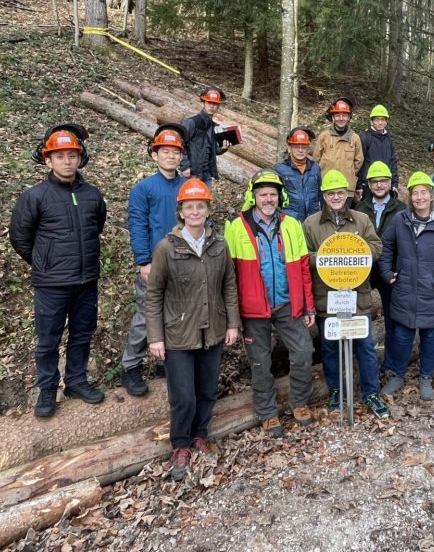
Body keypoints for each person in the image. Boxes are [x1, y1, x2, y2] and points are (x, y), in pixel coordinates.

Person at [144, 178, 240, 481]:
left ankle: (199, 435)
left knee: (207, 390)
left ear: (208, 210)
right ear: (181, 212)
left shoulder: (219, 244)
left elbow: (229, 285)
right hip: (178, 333)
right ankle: (180, 444)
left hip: (213, 329)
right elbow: (154, 294)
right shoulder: (166, 248)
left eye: (200, 206)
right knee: (183, 396)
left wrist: (233, 323)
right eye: (189, 207)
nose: (195, 212)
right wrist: (155, 336)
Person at [9, 124, 108, 419]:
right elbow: (19, 237)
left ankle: (76, 382)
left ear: (81, 158)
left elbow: (96, 227)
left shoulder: (92, 195)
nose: (67, 161)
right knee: (48, 339)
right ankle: (48, 389)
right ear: (48, 160)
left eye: (72, 155)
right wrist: (44, 262)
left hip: (86, 280)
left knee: (82, 334)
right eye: (60, 156)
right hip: (52, 284)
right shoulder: (35, 196)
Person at [224, 169, 317, 436]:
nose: (268, 199)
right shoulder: (236, 226)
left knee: (303, 351)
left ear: (280, 197)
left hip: (288, 303)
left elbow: (303, 268)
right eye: (263, 194)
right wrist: (233, 318)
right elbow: (229, 276)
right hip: (253, 308)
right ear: (253, 196)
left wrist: (308, 305)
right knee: (260, 363)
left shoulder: (292, 224)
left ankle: (299, 402)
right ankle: (267, 412)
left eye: (273, 194)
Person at [303, 170, 390, 419]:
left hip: (357, 296)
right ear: (324, 196)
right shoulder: (311, 223)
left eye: (340, 192)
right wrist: (328, 258)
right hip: (327, 296)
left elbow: (377, 246)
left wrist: (356, 252)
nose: (336, 197)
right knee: (329, 347)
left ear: (347, 194)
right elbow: (304, 256)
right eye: (331, 193)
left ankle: (371, 393)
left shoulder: (361, 220)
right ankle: (335, 390)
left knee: (365, 346)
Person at [379, 172, 434, 401]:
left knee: (429, 338)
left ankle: (426, 377)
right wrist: (386, 273)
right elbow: (386, 246)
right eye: (415, 193)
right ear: (410, 197)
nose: (419, 197)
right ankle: (397, 375)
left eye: (423, 192)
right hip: (405, 291)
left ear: (431, 195)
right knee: (401, 336)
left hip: (432, 293)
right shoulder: (400, 219)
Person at [121, 124, 188, 397]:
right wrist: (143, 261)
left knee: (174, 315)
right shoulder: (143, 189)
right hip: (154, 262)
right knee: (146, 315)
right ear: (154, 155)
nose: (171, 156)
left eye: (175, 152)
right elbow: (137, 225)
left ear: (181, 155)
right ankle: (130, 366)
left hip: (183, 262)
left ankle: (164, 362)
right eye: (165, 151)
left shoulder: (188, 186)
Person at [353, 161, 404, 378]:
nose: (379, 185)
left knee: (393, 319)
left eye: (383, 181)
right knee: (359, 315)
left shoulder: (401, 209)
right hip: (364, 270)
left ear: (390, 183)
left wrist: (399, 269)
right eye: (375, 182)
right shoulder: (359, 208)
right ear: (369, 184)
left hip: (390, 270)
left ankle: (391, 364)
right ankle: (360, 362)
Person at [313, 96, 363, 200]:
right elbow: (316, 160)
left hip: (347, 189)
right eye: (337, 115)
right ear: (332, 117)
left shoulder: (355, 138)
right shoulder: (324, 136)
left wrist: (349, 173)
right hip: (327, 187)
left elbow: (358, 162)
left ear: (349, 117)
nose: (341, 118)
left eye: (344, 115)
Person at [179, 86, 229, 187]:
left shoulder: (214, 126)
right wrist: (185, 166)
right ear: (204, 103)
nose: (212, 106)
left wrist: (223, 148)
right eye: (209, 102)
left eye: (215, 103)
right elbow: (179, 144)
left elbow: (213, 150)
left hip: (207, 174)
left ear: (218, 106)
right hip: (192, 173)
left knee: (206, 197)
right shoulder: (191, 122)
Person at [275, 127, 322, 223]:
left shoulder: (315, 168)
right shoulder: (281, 170)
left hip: (313, 219)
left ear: (308, 148)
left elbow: (320, 195)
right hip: (290, 220)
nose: (300, 150)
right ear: (289, 148)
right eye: (296, 147)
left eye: (304, 147)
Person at [355, 105, 399, 197]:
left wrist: (394, 182)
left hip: (385, 183)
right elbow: (359, 163)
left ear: (386, 122)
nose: (380, 122)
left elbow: (392, 161)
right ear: (371, 121)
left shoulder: (388, 140)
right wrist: (359, 185)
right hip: (368, 184)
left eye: (383, 120)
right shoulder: (365, 139)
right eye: (377, 120)